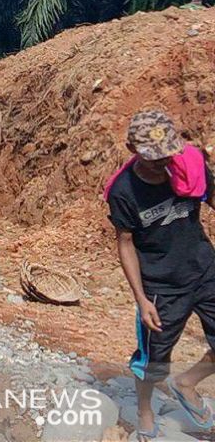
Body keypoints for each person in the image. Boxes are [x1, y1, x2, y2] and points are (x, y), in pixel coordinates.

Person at [107, 109, 215, 439]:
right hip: (161, 285)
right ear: (131, 149)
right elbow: (125, 243)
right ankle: (144, 408)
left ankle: (187, 383)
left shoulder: (189, 166)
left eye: (167, 154)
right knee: (154, 359)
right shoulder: (123, 192)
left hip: (204, 267)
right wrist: (142, 300)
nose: (161, 163)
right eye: (152, 157)